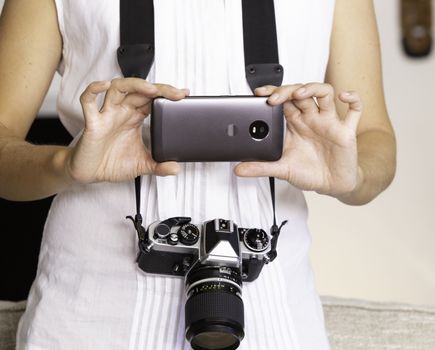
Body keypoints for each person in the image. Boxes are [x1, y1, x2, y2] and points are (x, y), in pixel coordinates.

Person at [0, 0, 396, 349]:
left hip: (275, 313)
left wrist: (352, 175)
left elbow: (375, 137)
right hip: (90, 315)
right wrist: (67, 166)